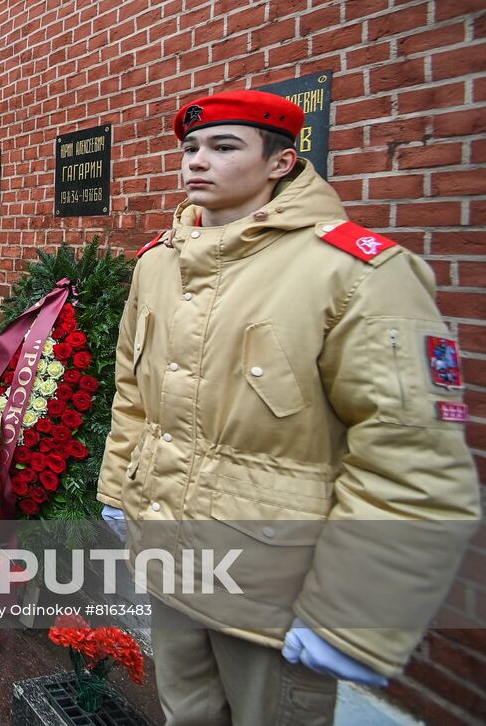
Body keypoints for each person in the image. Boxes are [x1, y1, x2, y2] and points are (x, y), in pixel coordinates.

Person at [97, 90, 479, 726]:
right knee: (183, 712)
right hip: (168, 548)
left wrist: (354, 615)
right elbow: (133, 393)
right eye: (190, 148)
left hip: (273, 585)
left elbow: (410, 457)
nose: (198, 162)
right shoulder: (159, 265)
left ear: (281, 162)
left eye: (224, 147)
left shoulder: (357, 272)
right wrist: (120, 491)